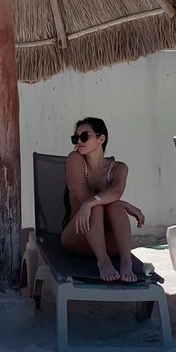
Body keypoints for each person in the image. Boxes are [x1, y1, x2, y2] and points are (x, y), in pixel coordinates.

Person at [60, 116, 145, 283]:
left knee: (112, 206)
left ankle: (126, 261)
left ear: (101, 139)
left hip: (109, 242)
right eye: (75, 138)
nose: (79, 141)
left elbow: (116, 192)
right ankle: (103, 261)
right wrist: (116, 202)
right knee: (94, 206)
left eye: (84, 136)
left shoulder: (119, 168)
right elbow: (85, 197)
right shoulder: (74, 159)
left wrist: (119, 203)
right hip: (77, 236)